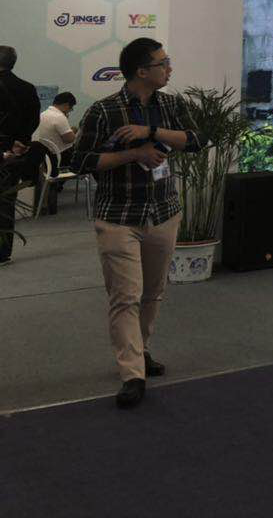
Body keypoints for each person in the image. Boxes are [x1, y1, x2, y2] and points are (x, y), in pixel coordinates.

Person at [71, 38, 205, 409]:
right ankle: (132, 374)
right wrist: (134, 154)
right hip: (118, 218)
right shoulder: (103, 111)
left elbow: (196, 140)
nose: (169, 68)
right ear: (142, 71)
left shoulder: (171, 105)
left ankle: (141, 350)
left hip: (163, 212)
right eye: (163, 63)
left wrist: (151, 133)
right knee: (125, 295)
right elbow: (80, 161)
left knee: (152, 292)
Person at [0, 46, 41, 266]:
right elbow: (33, 119)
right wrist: (20, 143)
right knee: (6, 201)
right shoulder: (26, 88)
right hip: (14, 153)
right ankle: (3, 253)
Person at [32, 92, 78, 215]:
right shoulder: (59, 117)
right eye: (71, 108)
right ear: (66, 105)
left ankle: (58, 187)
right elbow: (69, 139)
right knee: (90, 158)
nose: (70, 110)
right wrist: (74, 131)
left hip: (47, 156)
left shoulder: (43, 114)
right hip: (60, 156)